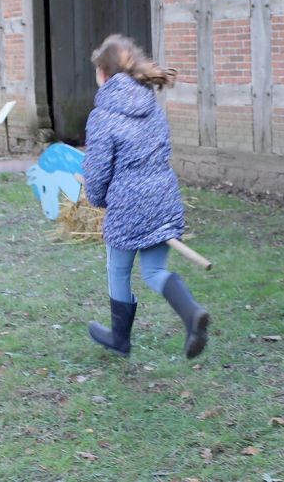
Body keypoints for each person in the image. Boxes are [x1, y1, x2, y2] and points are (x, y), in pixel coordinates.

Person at [82, 34, 210, 359]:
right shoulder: (150, 105)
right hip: (164, 197)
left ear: (104, 74)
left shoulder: (103, 115)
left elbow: (97, 170)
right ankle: (191, 313)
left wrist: (96, 197)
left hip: (128, 204)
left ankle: (119, 338)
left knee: (118, 269)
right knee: (154, 272)